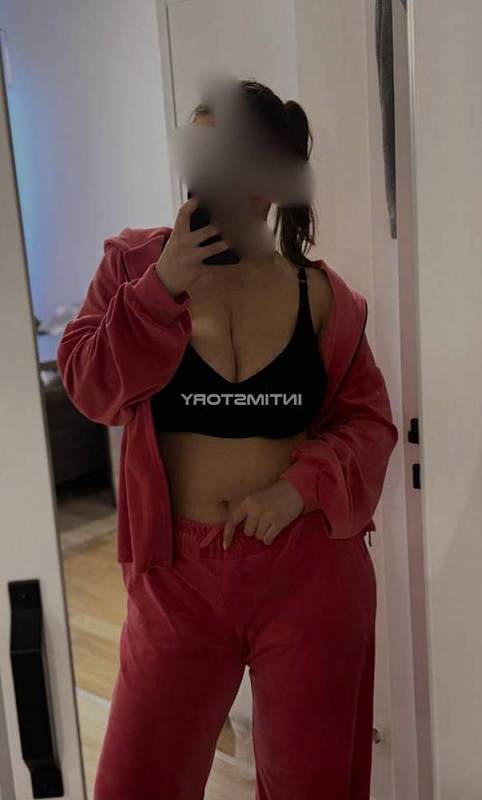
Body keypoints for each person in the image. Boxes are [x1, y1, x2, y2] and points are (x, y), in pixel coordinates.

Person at [57, 79, 398, 800]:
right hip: (178, 577)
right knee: (137, 781)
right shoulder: (134, 267)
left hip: (307, 568)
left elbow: (369, 422)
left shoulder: (322, 296)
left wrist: (296, 490)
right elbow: (88, 386)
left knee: (312, 784)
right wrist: (159, 290)